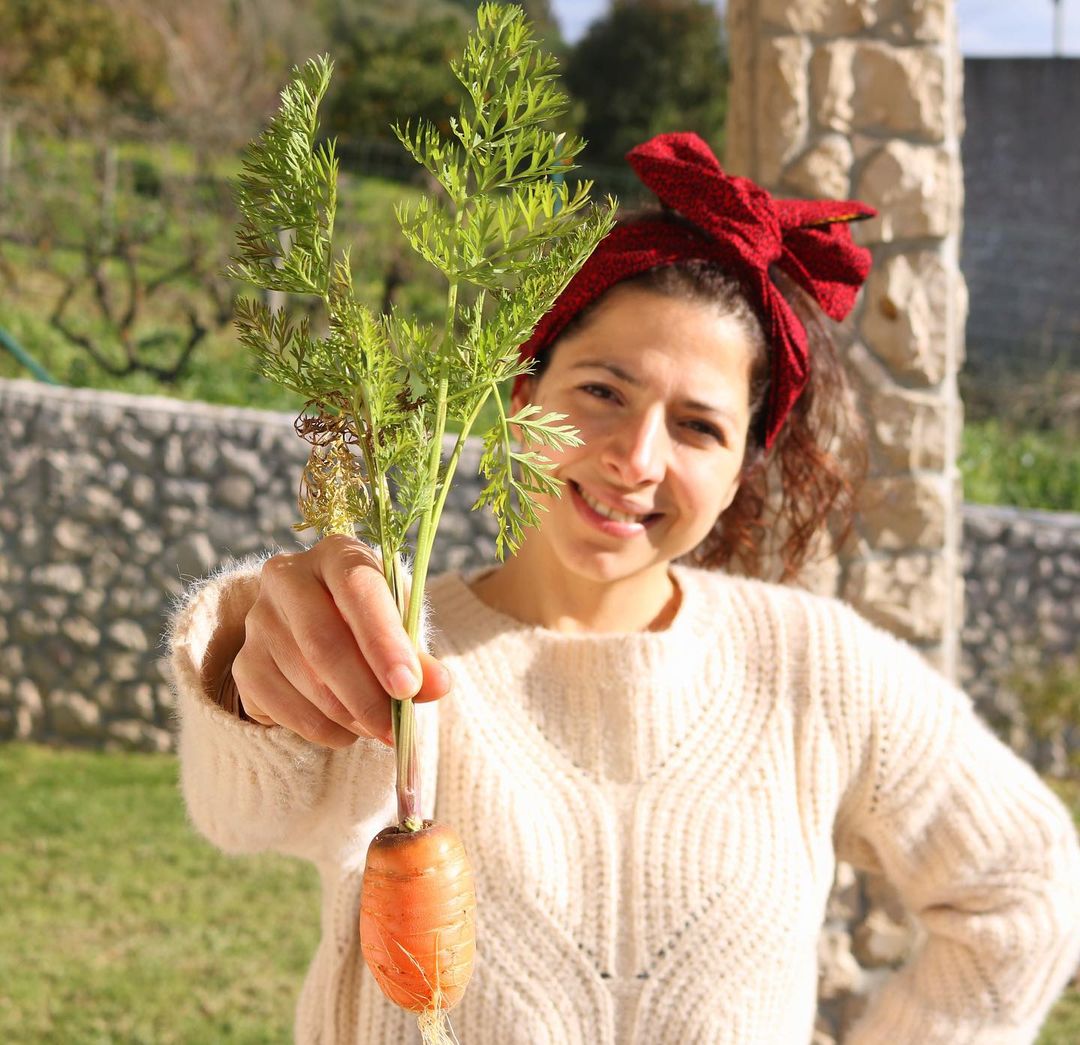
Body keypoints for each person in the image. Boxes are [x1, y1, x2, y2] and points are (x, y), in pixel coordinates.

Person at [167, 133, 1080, 1044]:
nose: (637, 458)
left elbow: (1031, 887)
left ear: (740, 472)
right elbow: (239, 809)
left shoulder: (816, 666)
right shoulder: (399, 654)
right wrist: (251, 662)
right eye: (604, 390)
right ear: (522, 396)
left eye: (698, 427)